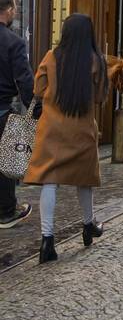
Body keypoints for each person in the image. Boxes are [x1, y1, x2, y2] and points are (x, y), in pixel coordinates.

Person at [24, 13, 108, 263]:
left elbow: (38, 90)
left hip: (52, 130)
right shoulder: (95, 61)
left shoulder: (51, 57)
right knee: (84, 179)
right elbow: (100, 97)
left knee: (50, 181)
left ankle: (47, 241)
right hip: (81, 131)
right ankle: (88, 224)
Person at [0, 0, 35, 228]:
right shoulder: (14, 42)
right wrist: (35, 108)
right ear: (9, 11)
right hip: (1, 110)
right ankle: (6, 212)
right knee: (5, 161)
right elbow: (24, 80)